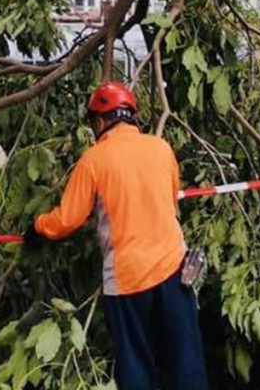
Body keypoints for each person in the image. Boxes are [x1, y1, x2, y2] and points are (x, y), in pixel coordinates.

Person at [23, 82, 208, 390]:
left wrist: (38, 228)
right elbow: (171, 195)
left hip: (127, 280)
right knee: (186, 361)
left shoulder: (94, 160)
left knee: (135, 367)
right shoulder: (161, 148)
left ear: (99, 122)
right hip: (175, 270)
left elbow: (67, 219)